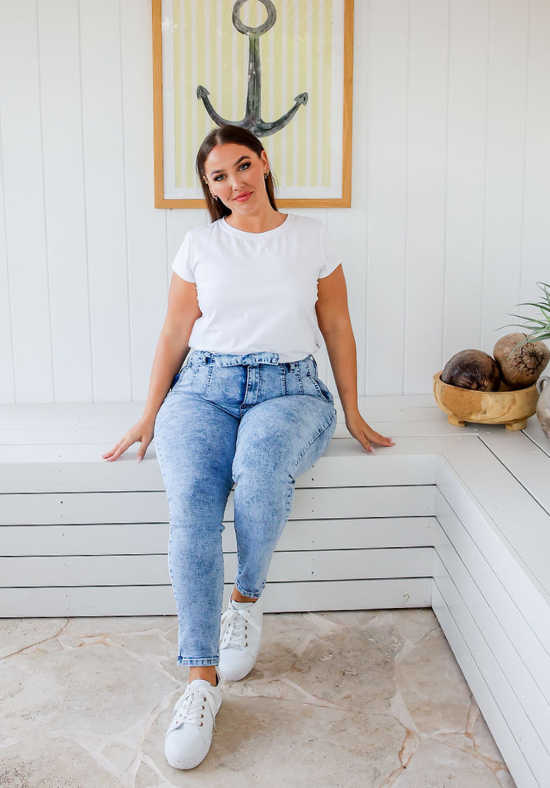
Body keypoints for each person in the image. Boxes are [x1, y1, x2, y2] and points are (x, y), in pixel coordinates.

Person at [103, 124, 394, 770]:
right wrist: (150, 412)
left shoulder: (312, 238)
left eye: (242, 166)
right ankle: (200, 681)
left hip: (289, 390)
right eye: (217, 177)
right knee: (194, 507)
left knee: (260, 471)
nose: (234, 183)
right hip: (201, 388)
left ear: (264, 163)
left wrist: (352, 409)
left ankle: (246, 601)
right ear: (209, 188)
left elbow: (337, 326)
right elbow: (175, 331)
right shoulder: (199, 245)